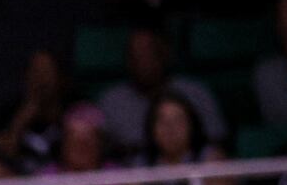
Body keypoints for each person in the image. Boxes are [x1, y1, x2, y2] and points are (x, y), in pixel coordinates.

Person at [97, 26, 228, 156]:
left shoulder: (196, 93)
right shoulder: (110, 100)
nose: (143, 62)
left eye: (149, 53)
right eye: (135, 55)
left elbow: (218, 140)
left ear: (165, 54)